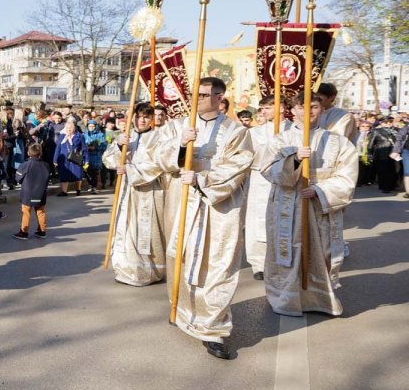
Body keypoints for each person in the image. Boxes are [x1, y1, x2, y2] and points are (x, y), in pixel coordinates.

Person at [152, 77, 253, 360]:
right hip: (182, 203)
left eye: (206, 94)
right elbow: (158, 156)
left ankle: (214, 329)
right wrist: (180, 145)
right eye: (197, 93)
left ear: (220, 97)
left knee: (217, 264)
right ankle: (183, 310)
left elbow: (240, 165)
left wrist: (201, 178)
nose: (200, 98)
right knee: (182, 260)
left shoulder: (235, 131)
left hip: (217, 207)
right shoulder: (176, 126)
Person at [259, 94, 357, 317]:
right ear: (293, 111)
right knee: (288, 251)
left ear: (321, 110)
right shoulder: (280, 140)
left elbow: (347, 176)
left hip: (319, 204)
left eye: (314, 106)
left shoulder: (337, 141)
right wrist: (293, 159)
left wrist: (320, 190)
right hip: (288, 202)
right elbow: (267, 169)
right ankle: (287, 298)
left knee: (321, 250)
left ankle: (319, 297)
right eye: (302, 107)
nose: (309, 111)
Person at [102, 103, 165, 285]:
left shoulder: (158, 138)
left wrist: (129, 169)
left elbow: (158, 165)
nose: (141, 120)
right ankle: (125, 269)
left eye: (146, 117)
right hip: (126, 189)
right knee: (125, 228)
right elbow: (108, 160)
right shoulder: (127, 136)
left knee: (144, 230)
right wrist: (118, 146)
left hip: (147, 191)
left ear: (152, 119)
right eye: (138, 116)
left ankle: (147, 271)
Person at [242, 95, 290, 280]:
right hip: (260, 179)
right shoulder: (255, 133)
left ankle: (282, 259)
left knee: (282, 218)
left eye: (268, 108)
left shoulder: (293, 131)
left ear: (282, 108)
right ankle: (258, 263)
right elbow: (248, 156)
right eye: (262, 109)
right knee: (257, 220)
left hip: (285, 179)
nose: (263, 112)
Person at [13, 143, 50, 240]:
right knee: (41, 212)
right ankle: (42, 231)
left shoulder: (25, 164)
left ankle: (24, 232)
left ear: (28, 153)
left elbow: (18, 178)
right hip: (41, 192)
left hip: (27, 192)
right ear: (40, 153)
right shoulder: (45, 165)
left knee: (26, 212)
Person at [54, 118, 87, 196]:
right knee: (64, 174)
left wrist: (87, 160)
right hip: (64, 159)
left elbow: (84, 149)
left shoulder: (79, 136)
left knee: (77, 174)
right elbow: (58, 148)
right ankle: (64, 191)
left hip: (75, 158)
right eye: (67, 128)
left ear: (74, 128)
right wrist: (55, 159)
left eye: (71, 128)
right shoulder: (62, 136)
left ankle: (78, 189)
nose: (69, 130)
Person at [84, 120, 107, 192]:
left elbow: (104, 145)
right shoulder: (84, 135)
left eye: (93, 126)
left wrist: (96, 148)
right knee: (87, 172)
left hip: (96, 156)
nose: (91, 127)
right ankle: (90, 185)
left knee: (94, 172)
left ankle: (94, 187)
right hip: (86, 156)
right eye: (90, 126)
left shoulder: (100, 135)